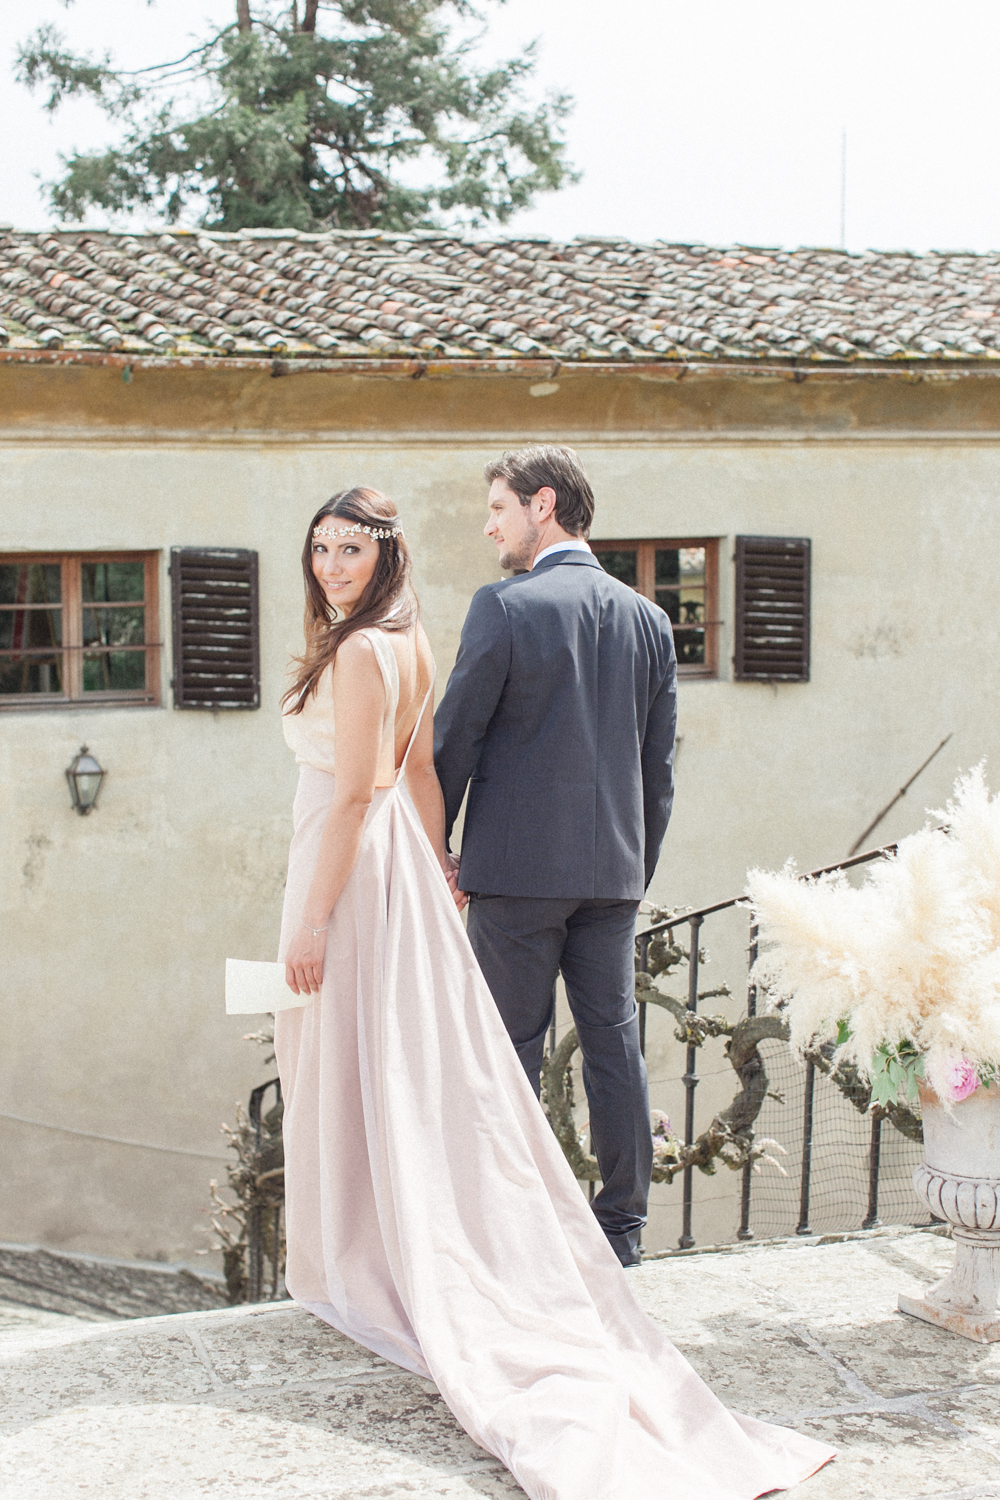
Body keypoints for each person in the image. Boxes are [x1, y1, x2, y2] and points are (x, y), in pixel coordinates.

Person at [273, 485, 834, 1500]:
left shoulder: (427, 630)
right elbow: (618, 763)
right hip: (590, 869)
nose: (331, 566)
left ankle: (417, 1245)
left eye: (350, 548)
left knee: (470, 1058)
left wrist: (331, 911)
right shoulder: (621, 618)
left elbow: (390, 777)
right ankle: (618, 1227)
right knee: (592, 1043)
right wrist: (448, 866)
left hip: (390, 868)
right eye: (320, 549)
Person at [434, 445, 674, 1268]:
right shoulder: (650, 620)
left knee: (506, 1052)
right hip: (613, 877)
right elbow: (658, 772)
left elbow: (456, 739)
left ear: (543, 504)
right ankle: (622, 1230)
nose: (490, 527)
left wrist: (437, 847)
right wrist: (631, 872)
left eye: (498, 508)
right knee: (614, 1045)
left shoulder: (503, 607)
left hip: (516, 875)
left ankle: (509, 1233)